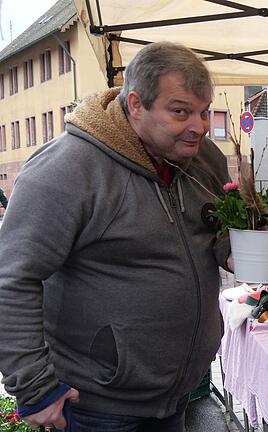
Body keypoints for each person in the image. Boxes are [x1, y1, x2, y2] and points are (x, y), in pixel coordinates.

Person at [0, 42, 232, 431]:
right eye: (181, 111)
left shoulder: (202, 157)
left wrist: (233, 249)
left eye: (204, 112)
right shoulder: (69, 168)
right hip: (98, 405)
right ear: (137, 105)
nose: (200, 126)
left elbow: (217, 225)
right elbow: (11, 279)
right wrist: (35, 388)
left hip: (176, 395)